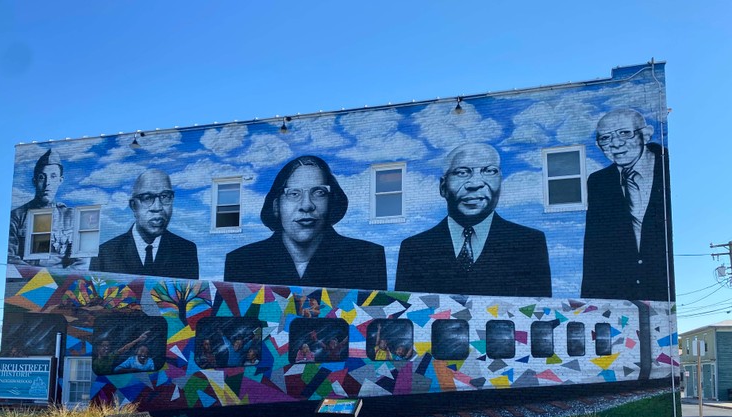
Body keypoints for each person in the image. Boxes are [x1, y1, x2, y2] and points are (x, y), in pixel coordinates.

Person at [395, 143, 551, 297]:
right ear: (443, 187)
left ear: (501, 183)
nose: (475, 184)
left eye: (489, 171)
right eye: (462, 173)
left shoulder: (529, 242)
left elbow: (538, 313)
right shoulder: (414, 248)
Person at [224, 156, 387, 290]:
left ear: (332, 202)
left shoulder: (367, 257)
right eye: (294, 194)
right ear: (276, 206)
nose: (307, 205)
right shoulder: (242, 261)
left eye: (319, 193)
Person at [581, 109, 673, 301]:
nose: (615, 143)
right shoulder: (598, 182)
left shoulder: (669, 165)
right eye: (605, 138)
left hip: (664, 291)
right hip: (620, 297)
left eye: (624, 133)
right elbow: (594, 251)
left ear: (646, 134)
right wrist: (589, 303)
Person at [90, 169, 199, 279]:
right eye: (147, 198)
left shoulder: (186, 250)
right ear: (133, 206)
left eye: (165, 196)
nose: (157, 207)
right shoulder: (104, 254)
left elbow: (190, 295)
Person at [8, 149, 79, 268]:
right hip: (28, 282)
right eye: (42, 177)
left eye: (53, 177)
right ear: (34, 181)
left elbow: (81, 261)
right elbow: (10, 258)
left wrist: (63, 283)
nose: (47, 183)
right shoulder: (17, 216)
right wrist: (41, 281)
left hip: (65, 284)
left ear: (60, 181)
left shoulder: (71, 217)